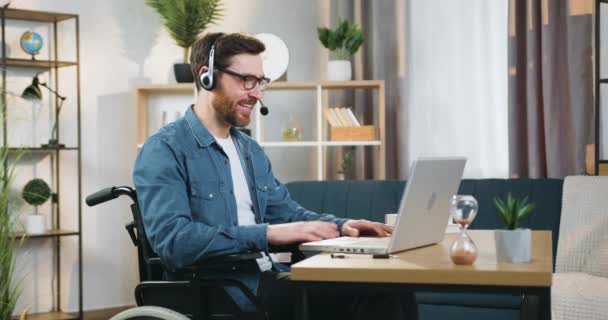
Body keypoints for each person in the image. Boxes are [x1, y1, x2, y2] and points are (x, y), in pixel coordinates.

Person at [133, 32, 413, 319]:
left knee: (390, 288)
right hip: (220, 292)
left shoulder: (249, 150)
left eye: (261, 82)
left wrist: (343, 226)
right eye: (247, 80)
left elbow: (288, 214)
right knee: (376, 299)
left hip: (268, 281)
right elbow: (174, 242)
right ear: (207, 76)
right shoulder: (165, 149)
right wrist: (267, 234)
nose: (257, 93)